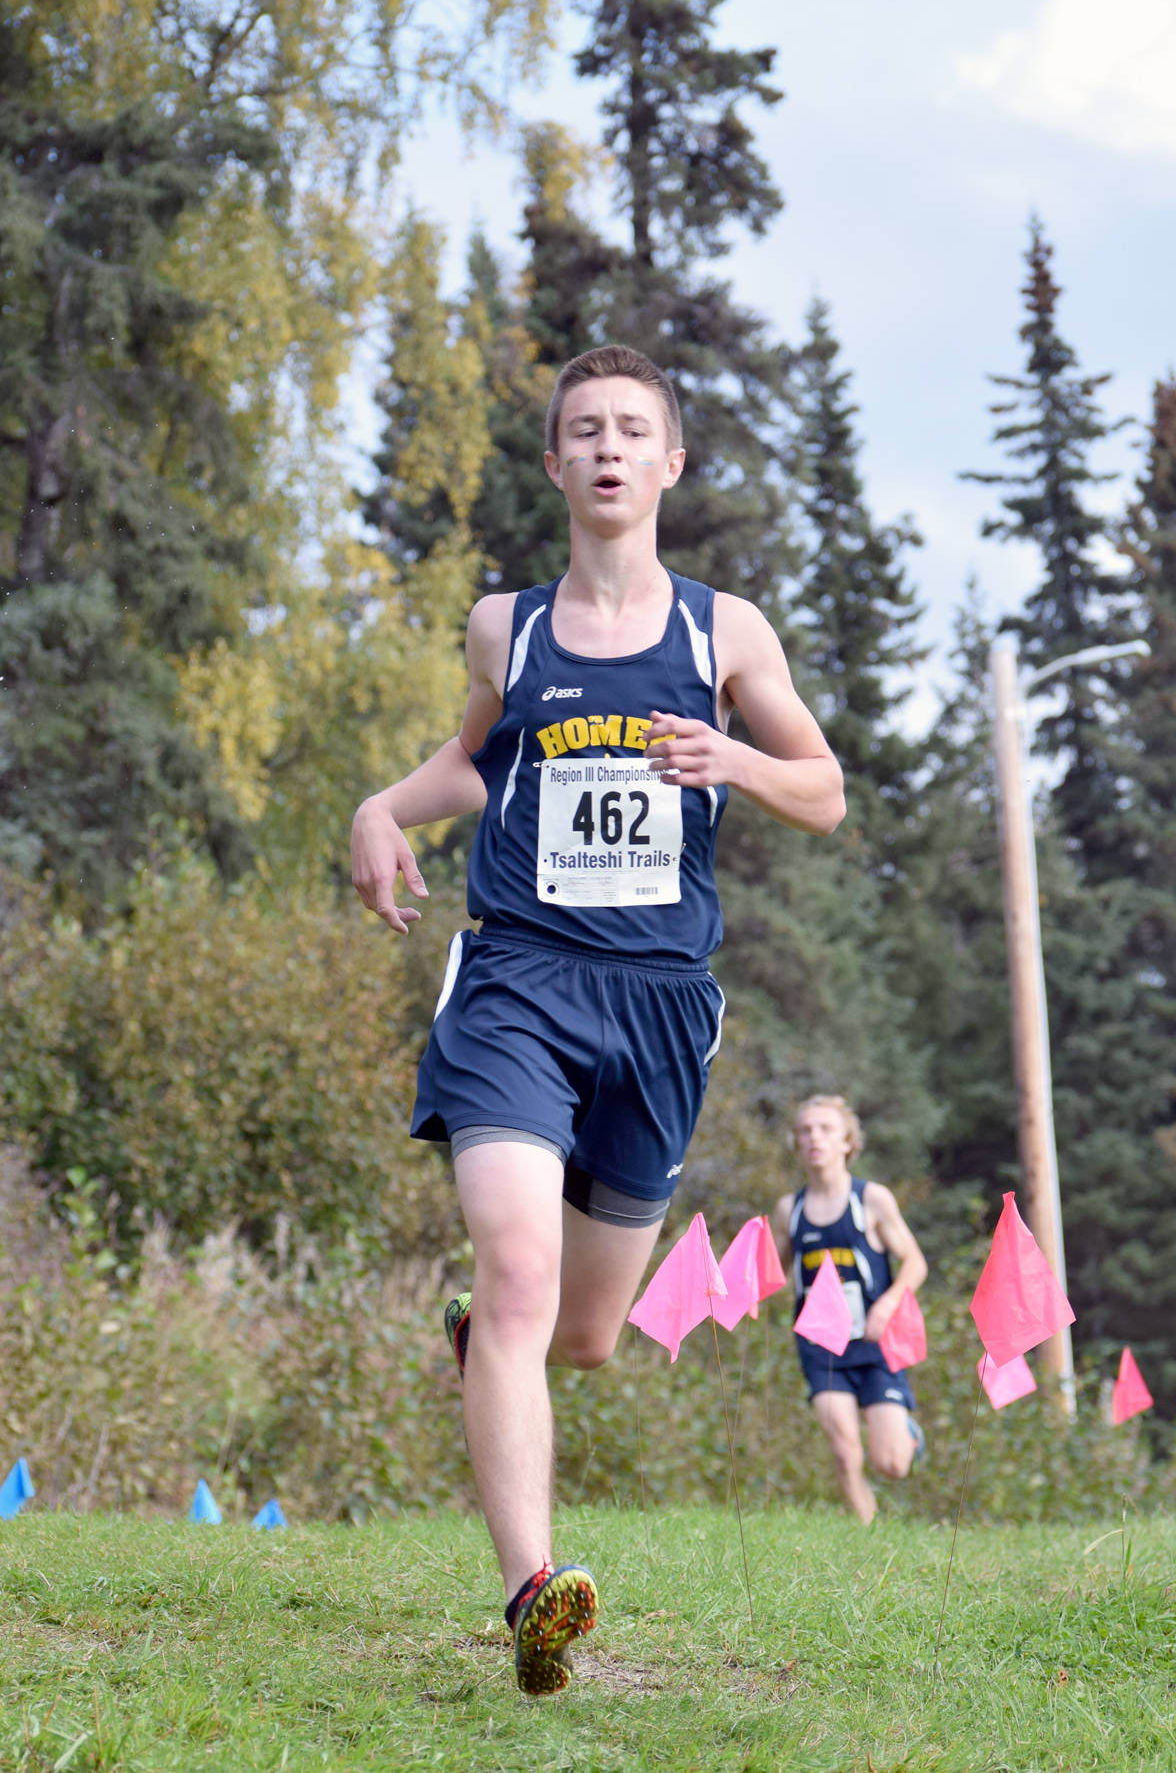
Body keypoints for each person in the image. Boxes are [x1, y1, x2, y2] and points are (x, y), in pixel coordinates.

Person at [350, 344, 845, 1696]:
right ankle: (532, 1592)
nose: (610, 448)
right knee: (516, 1266)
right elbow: (474, 755)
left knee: (582, 1334)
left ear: (669, 462)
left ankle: (486, 1346)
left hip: (660, 1006)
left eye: (635, 429)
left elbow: (826, 788)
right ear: (556, 463)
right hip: (517, 978)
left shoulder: (721, 631)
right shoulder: (506, 625)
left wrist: (734, 754)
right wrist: (382, 807)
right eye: (585, 430)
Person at [772, 1094, 928, 1526]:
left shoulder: (872, 1199)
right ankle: (868, 1533)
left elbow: (915, 1263)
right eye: (805, 1130)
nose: (813, 1138)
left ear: (847, 1142)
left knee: (891, 1464)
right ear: (796, 1143)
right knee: (844, 1449)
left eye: (824, 1129)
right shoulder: (791, 1209)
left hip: (875, 1342)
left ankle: (907, 1437)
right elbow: (772, 1273)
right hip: (820, 1342)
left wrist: (889, 1305)